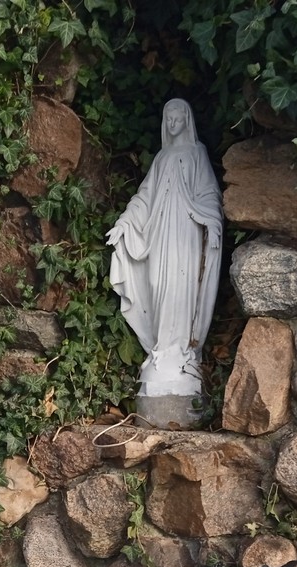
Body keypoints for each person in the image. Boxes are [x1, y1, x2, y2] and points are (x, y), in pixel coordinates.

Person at [106, 98, 222, 399]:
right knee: (158, 285)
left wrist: (212, 222)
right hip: (158, 233)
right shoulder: (161, 158)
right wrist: (124, 223)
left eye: (176, 119)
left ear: (186, 120)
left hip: (186, 232)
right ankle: (160, 350)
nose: (171, 124)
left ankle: (180, 353)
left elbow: (209, 193)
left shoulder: (197, 153)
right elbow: (144, 197)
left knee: (181, 289)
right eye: (167, 119)